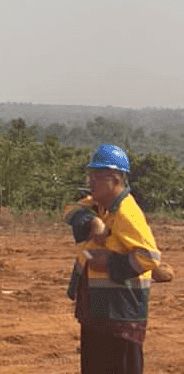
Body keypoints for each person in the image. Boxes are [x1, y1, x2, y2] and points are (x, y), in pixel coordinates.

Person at [64, 144, 165, 374]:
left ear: (116, 179)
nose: (90, 181)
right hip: (99, 312)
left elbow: (149, 256)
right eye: (91, 175)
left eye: (97, 176)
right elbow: (70, 211)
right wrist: (93, 222)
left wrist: (109, 264)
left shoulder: (126, 213)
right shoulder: (100, 206)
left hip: (121, 317)